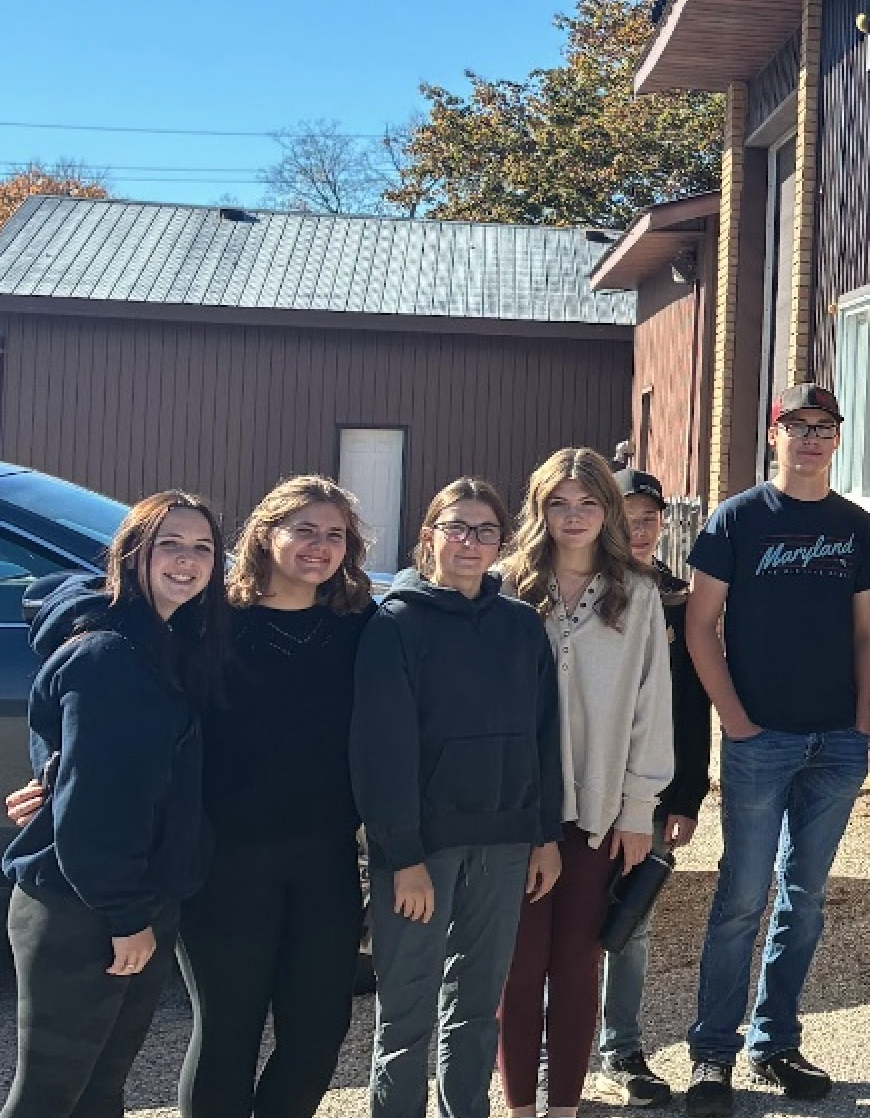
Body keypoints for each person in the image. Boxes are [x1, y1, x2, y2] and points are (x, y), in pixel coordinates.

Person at [681, 383, 870, 1116]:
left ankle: (775, 1042)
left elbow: (869, 634)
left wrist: (860, 727)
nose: (809, 437)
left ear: (838, 437)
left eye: (822, 426)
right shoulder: (737, 520)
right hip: (759, 741)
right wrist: (735, 722)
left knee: (804, 900)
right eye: (795, 425)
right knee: (741, 896)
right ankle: (712, 1054)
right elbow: (700, 626)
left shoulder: (857, 528)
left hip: (835, 743)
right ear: (774, 436)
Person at [1, 492, 226, 1118]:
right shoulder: (110, 655)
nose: (187, 560)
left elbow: (78, 764)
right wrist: (126, 916)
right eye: (169, 545)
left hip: (132, 894)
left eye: (202, 548)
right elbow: (94, 804)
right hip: (84, 906)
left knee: (100, 1090)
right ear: (134, 554)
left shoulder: (167, 642)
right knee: (51, 1093)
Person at [353, 478, 566, 1118]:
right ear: (429, 536)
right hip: (423, 852)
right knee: (407, 1008)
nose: (470, 542)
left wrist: (546, 835)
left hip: (504, 844)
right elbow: (380, 754)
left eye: (485, 531)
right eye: (456, 527)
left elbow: (544, 737)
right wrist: (404, 855)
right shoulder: (394, 625)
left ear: (502, 542)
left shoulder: (522, 626)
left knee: (476, 1004)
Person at [184, 477, 376, 1118]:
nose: (319, 547)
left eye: (334, 535)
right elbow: (126, 699)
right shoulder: (211, 624)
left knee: (320, 1033)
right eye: (305, 530)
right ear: (266, 535)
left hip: (324, 861)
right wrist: (58, 766)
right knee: (228, 1038)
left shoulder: (360, 627)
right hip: (227, 862)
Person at [499, 450, 674, 1118]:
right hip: (515, 811)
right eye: (558, 504)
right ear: (539, 510)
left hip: (598, 811)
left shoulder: (639, 594)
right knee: (517, 968)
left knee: (577, 964)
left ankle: (565, 1107)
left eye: (587, 504)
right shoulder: (508, 588)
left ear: (608, 511)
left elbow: (649, 710)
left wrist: (638, 807)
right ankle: (519, 1107)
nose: (573, 519)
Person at [594, 468, 716, 1107]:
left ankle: (622, 1049)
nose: (640, 528)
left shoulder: (678, 599)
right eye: (627, 514)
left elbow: (693, 708)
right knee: (559, 925)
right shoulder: (580, 592)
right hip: (579, 791)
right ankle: (550, 1052)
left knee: (630, 924)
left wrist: (688, 798)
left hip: (651, 793)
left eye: (650, 517)